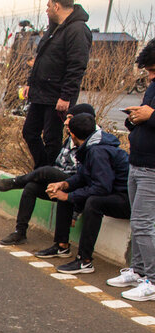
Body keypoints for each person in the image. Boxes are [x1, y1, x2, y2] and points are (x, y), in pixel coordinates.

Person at [0, 102, 96, 246]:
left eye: (70, 118)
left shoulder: (93, 145)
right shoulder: (71, 139)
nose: (66, 122)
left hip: (75, 185)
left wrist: (76, 212)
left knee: (47, 170)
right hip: (61, 182)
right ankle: (20, 232)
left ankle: (16, 182)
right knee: (31, 187)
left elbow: (89, 180)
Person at [42, 113, 131, 274]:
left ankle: (85, 260)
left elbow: (102, 187)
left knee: (93, 203)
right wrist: (64, 184)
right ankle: (61, 246)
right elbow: (84, 175)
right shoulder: (92, 144)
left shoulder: (98, 151)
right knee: (65, 191)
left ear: (72, 135)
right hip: (116, 193)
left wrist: (68, 197)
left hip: (128, 200)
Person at [108, 39, 155, 300]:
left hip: (152, 168)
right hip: (137, 161)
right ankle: (138, 271)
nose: (149, 76)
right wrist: (134, 119)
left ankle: (153, 280)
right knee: (138, 224)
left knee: (143, 224)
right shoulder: (152, 87)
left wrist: (150, 116)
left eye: (152, 70)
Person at [21, 0, 92, 169]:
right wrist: (31, 83)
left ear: (57, 6)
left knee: (52, 139)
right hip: (40, 93)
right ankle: (42, 170)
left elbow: (77, 66)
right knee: (30, 132)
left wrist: (66, 95)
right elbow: (40, 60)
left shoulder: (78, 30)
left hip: (57, 97)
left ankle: (49, 174)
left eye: (48, 6)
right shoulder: (53, 29)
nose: (46, 10)